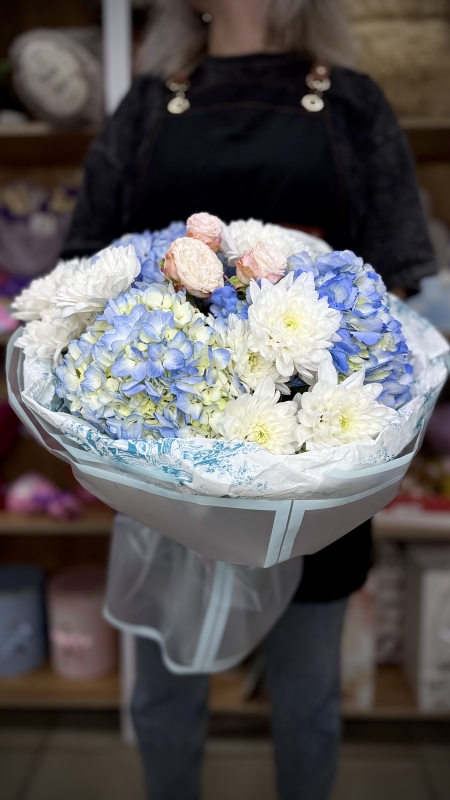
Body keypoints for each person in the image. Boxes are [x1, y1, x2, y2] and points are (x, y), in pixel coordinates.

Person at [62, 1, 435, 798]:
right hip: (166, 452)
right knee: (163, 693)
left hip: (314, 451)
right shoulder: (149, 102)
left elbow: (399, 274)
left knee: (307, 691)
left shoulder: (351, 100)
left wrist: (306, 353)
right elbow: (87, 262)